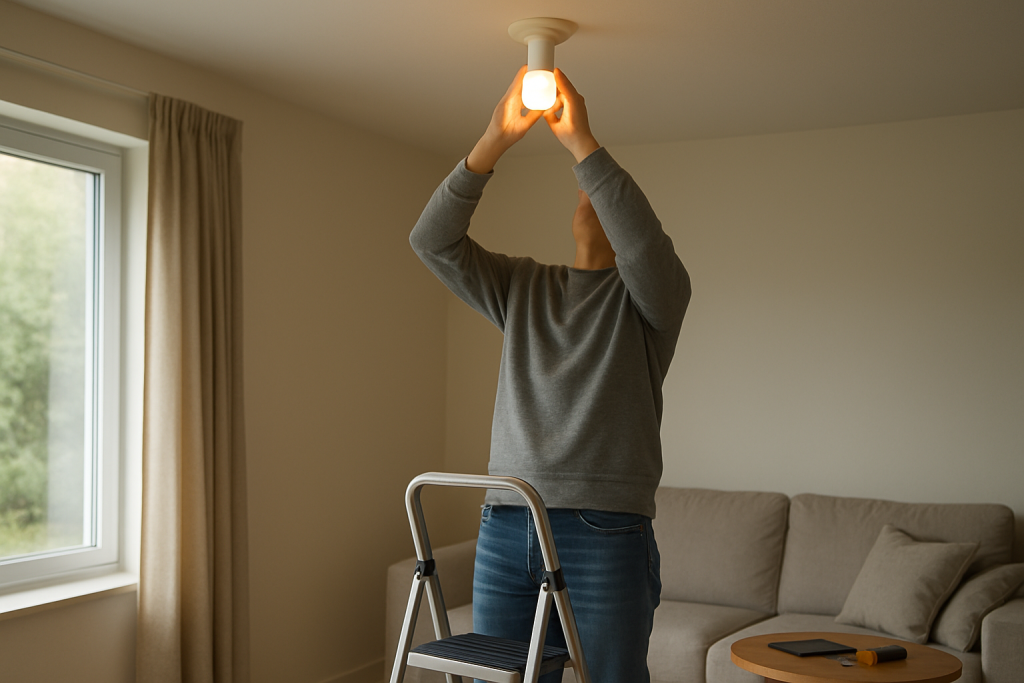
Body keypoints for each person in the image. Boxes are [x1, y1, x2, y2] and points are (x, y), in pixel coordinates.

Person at [410, 65, 691, 683]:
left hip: (605, 528)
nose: (589, 192)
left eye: (603, 189)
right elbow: (431, 241)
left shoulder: (651, 302)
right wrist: (494, 140)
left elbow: (644, 245)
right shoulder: (522, 287)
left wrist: (582, 145)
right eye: (584, 185)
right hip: (508, 518)